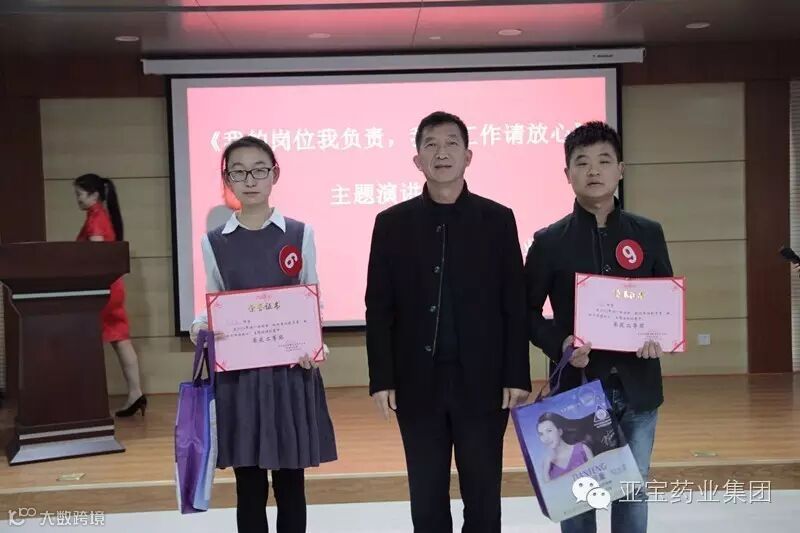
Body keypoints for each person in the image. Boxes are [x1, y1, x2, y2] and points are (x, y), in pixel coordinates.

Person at [365, 111, 530, 533]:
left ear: (468, 156)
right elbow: (378, 308)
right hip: (417, 383)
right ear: (417, 159)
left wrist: (517, 374)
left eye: (452, 143)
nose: (442, 153)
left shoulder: (498, 220)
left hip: (483, 383)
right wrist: (382, 378)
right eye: (431, 145)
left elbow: (515, 304)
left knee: (483, 500)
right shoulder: (391, 224)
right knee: (426, 502)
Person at [525, 121, 673, 533]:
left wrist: (657, 336)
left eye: (604, 160)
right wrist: (561, 342)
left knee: (632, 493)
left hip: (638, 387)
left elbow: (664, 302)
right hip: (578, 391)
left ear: (620, 169)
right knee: (578, 495)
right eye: (582, 162)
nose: (594, 170)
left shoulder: (648, 233)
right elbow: (526, 313)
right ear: (567, 173)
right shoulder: (549, 241)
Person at [190, 136, 337, 533]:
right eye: (238, 172)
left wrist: (312, 344)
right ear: (227, 181)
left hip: (290, 374)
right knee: (249, 486)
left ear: (275, 174)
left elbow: (311, 297)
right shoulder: (214, 241)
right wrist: (201, 327)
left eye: (258, 170)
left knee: (291, 484)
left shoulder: (299, 233)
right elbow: (213, 301)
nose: (250, 180)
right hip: (240, 378)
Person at [74, 173, 145, 417]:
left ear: (94, 195)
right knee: (121, 340)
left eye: (80, 194)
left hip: (102, 290)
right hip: (113, 287)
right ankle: (135, 393)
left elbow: (95, 258)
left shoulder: (95, 219)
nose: (77, 199)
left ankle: (90, 400)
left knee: (89, 342)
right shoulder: (102, 216)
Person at [537, 412, 593, 482]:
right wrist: (546, 471)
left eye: (549, 431)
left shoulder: (582, 449)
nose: (546, 438)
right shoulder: (547, 464)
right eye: (541, 434)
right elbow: (548, 488)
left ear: (560, 431)